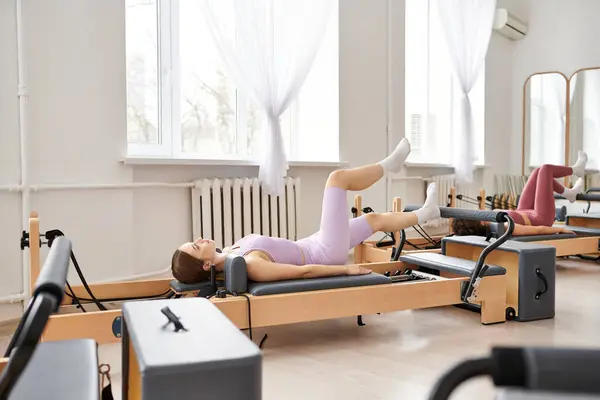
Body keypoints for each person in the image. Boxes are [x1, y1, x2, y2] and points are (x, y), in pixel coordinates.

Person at [171, 138, 442, 283]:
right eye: (195, 247)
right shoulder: (251, 265)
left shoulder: (231, 253)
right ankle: (388, 166)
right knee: (337, 179)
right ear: (206, 265)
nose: (198, 240)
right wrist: (345, 271)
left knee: (373, 219)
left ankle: (426, 213)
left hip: (314, 244)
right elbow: (303, 273)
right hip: (324, 253)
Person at [452, 151, 588, 237]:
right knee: (546, 170)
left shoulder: (490, 220)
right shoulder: (503, 227)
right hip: (541, 218)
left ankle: (569, 194)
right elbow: (538, 230)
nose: (476, 210)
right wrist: (560, 230)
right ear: (480, 222)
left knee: (537, 172)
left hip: (523, 211)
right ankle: (576, 170)